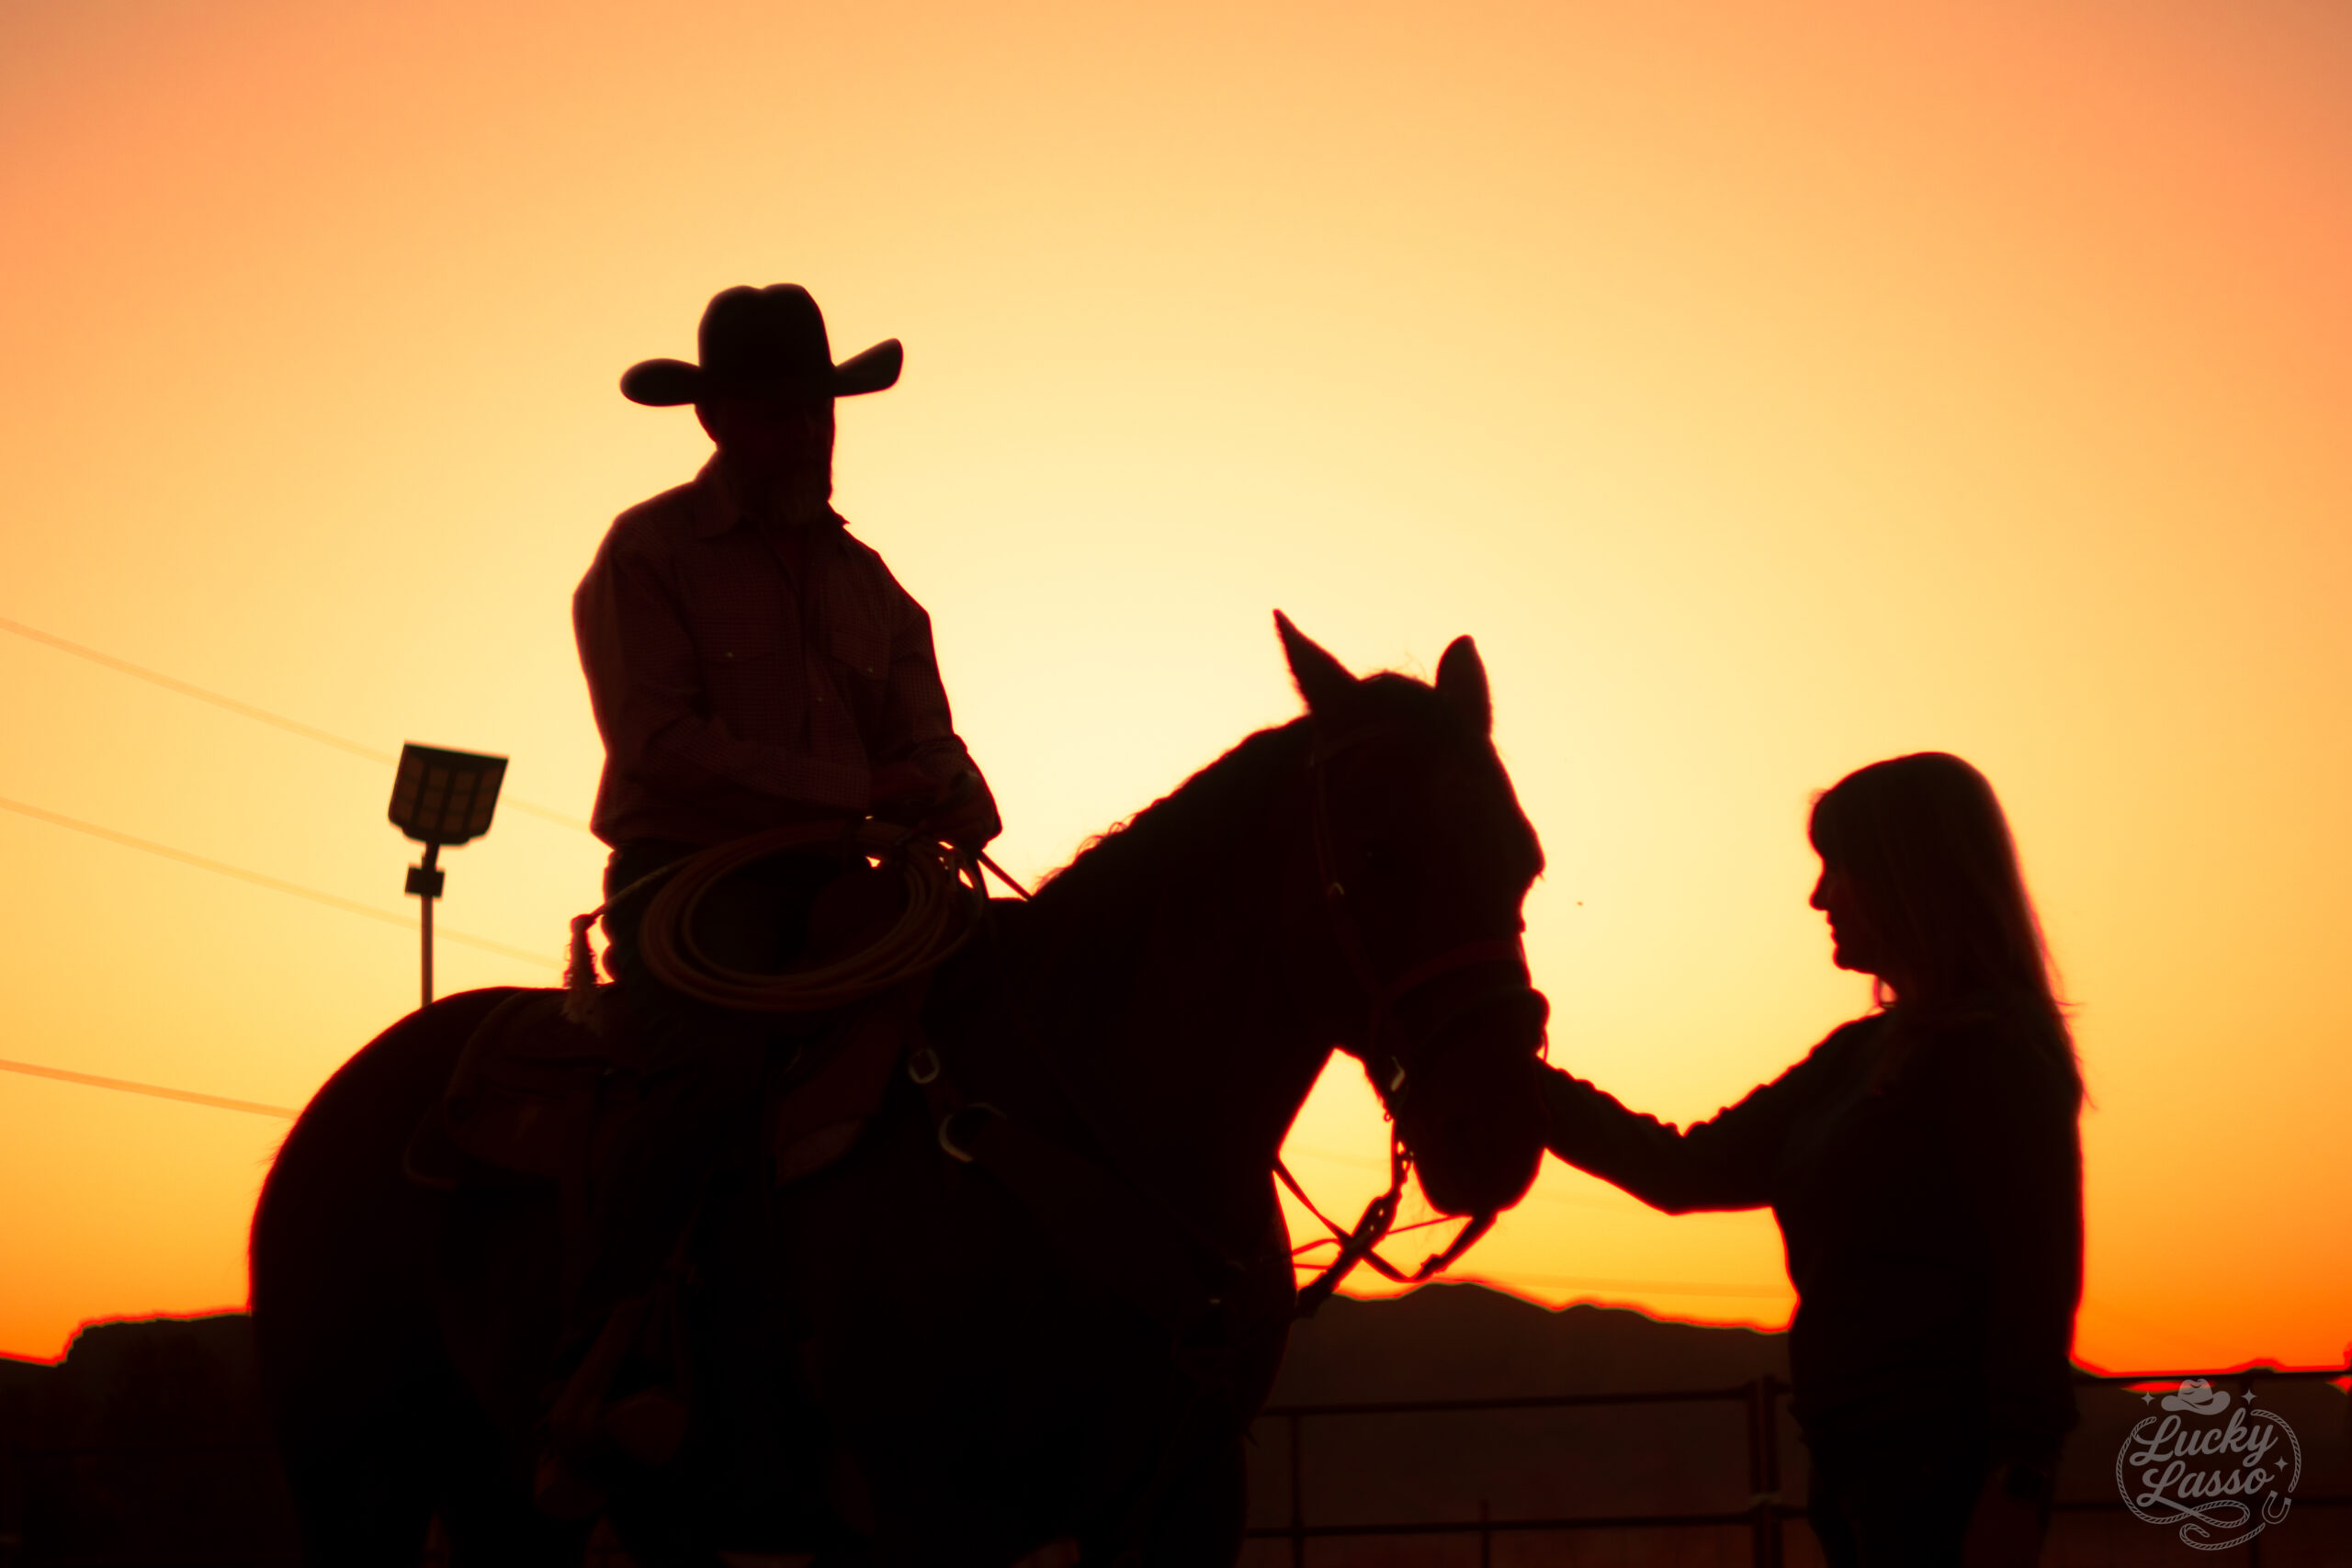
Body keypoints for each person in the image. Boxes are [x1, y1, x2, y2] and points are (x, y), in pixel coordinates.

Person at [547, 283, 1001, 1504]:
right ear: (716, 420)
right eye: (779, 412)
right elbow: (659, 742)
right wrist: (857, 787)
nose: (807, 433)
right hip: (693, 876)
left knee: (1004, 1013)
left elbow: (929, 732)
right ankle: (611, 1347)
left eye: (820, 409)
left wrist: (958, 790)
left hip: (847, 880)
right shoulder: (648, 555)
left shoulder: (872, 585)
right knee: (714, 1062)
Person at [1539, 753, 2082, 1568]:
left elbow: (2036, 1285)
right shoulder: (1856, 1058)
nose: (1819, 897)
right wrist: (1514, 1078)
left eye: (1839, 868)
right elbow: (1685, 1169)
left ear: (1906, 876)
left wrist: (2018, 1480)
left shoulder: (1998, 1054)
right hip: (1854, 1476)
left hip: (1941, 1482)